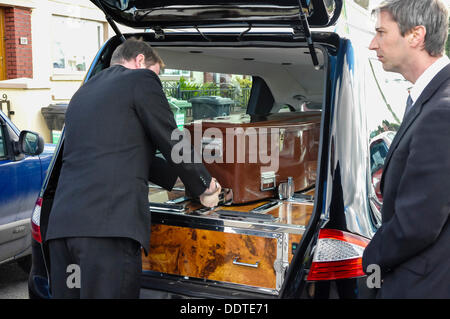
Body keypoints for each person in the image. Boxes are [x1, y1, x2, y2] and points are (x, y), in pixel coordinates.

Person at [45, 38, 221, 298]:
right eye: (157, 74)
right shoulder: (141, 80)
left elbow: (120, 152)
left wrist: (178, 181)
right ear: (140, 60)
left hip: (62, 233)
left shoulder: (83, 92)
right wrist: (204, 185)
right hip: (107, 233)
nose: (156, 81)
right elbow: (172, 138)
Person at [362, 0, 450, 298]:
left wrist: (369, 260)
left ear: (416, 35)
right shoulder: (431, 97)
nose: (373, 44)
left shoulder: (443, 110)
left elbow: (417, 225)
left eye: (381, 32)